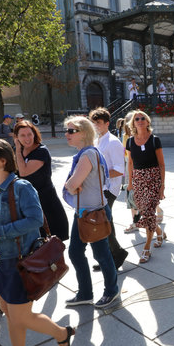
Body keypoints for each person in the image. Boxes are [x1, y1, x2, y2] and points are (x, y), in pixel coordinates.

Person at [0, 139, 74, 346]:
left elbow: (35, 220)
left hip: (21, 263)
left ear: (3, 160)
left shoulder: (21, 187)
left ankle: (62, 333)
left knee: (21, 317)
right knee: (11, 314)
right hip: (3, 262)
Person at [63, 116, 119, 308]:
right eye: (67, 130)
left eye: (72, 131)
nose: (67, 134)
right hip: (84, 212)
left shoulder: (87, 155)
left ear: (84, 133)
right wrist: (72, 186)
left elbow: (72, 185)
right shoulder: (84, 154)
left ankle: (111, 291)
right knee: (75, 252)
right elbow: (73, 185)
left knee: (101, 254)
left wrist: (70, 185)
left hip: (93, 213)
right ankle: (85, 293)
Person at [13, 121, 69, 241]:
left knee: (53, 246)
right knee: (34, 249)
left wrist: (17, 150)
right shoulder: (18, 151)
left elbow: (23, 172)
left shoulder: (41, 151)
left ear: (34, 134)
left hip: (46, 203)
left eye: (29, 134)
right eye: (22, 135)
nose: (27, 138)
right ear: (16, 137)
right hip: (27, 203)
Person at [90, 108, 128, 270]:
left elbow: (120, 169)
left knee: (104, 223)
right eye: (94, 123)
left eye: (99, 123)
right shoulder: (97, 141)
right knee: (105, 223)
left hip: (109, 188)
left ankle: (117, 253)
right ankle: (111, 255)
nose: (96, 126)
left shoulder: (113, 142)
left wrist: (98, 175)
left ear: (107, 123)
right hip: (98, 187)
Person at [125, 111, 166, 263]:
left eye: (143, 118)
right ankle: (159, 232)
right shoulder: (129, 141)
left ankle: (147, 248)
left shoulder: (155, 140)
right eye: (137, 119)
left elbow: (161, 164)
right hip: (138, 181)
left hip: (153, 179)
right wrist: (130, 183)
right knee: (145, 212)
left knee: (148, 212)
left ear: (148, 121)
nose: (140, 120)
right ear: (133, 123)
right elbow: (130, 163)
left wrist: (162, 186)